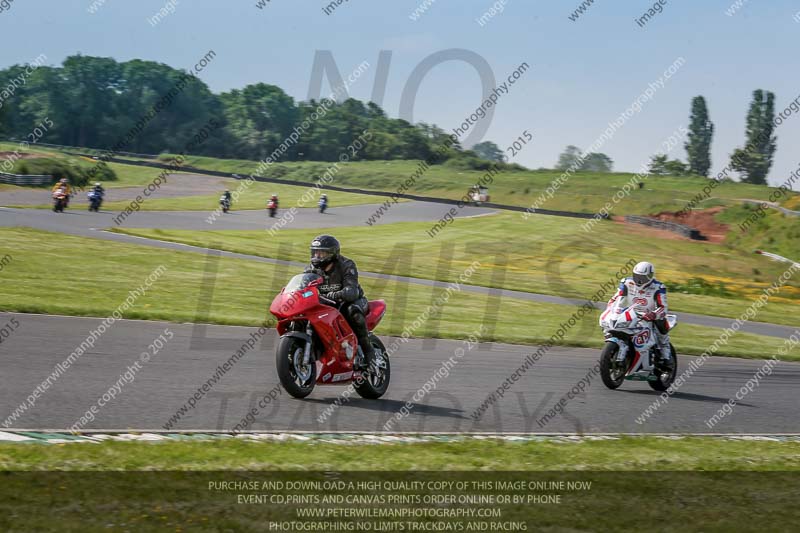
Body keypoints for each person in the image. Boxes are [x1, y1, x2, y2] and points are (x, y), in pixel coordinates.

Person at [304, 235, 376, 370]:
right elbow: (303, 288)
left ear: (332, 253)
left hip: (354, 301)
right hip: (328, 305)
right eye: (315, 252)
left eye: (321, 253)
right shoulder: (310, 270)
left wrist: (330, 295)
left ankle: (369, 352)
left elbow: (351, 292)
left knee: (352, 311)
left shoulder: (346, 265)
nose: (317, 256)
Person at [606, 261, 672, 362]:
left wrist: (654, 314)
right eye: (637, 276)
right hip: (631, 313)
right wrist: (611, 308)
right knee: (611, 324)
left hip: (649, 316)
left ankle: (665, 353)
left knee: (661, 324)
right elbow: (615, 299)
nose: (639, 280)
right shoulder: (627, 282)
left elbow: (663, 307)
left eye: (643, 277)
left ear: (650, 276)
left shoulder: (658, 287)